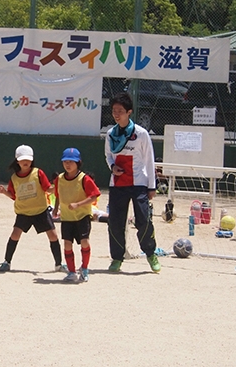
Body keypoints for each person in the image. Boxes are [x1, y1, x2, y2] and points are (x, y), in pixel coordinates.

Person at [105, 92, 160, 273]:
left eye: (120, 110)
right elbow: (108, 156)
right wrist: (112, 167)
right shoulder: (110, 134)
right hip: (117, 185)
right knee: (115, 222)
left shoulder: (141, 133)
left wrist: (152, 186)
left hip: (139, 184)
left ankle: (151, 254)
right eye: (114, 110)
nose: (116, 114)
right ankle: (117, 258)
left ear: (129, 112)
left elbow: (149, 160)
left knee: (143, 220)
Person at [0, 144, 66, 272]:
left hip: (41, 211)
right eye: (23, 159)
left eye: (28, 159)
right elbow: (13, 195)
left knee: (53, 236)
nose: (25, 162)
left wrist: (56, 186)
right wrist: (4, 192)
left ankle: (59, 264)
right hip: (23, 212)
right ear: (17, 160)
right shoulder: (14, 178)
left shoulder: (38, 173)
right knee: (15, 235)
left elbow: (48, 189)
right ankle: (7, 262)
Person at [52, 148, 101, 282]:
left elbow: (94, 196)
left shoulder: (84, 178)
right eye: (65, 162)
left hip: (82, 216)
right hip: (67, 217)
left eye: (71, 162)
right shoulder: (60, 179)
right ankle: (72, 271)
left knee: (84, 242)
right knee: (67, 244)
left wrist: (78, 204)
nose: (68, 165)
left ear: (78, 162)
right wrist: (55, 209)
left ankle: (84, 269)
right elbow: (57, 194)